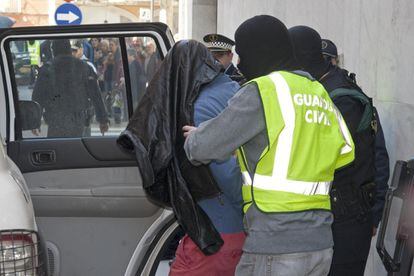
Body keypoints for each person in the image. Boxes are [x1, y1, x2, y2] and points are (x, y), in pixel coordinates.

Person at [183, 15, 355, 276]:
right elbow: (344, 152)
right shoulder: (316, 91)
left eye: (243, 54)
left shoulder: (263, 90)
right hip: (320, 246)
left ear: (258, 51)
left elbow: (202, 148)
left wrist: (195, 135)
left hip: (276, 245)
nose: (240, 64)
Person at [289, 25, 378, 276]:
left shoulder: (341, 97)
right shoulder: (320, 88)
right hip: (331, 216)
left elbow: (350, 159)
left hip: (346, 219)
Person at [169, 43, 245, 276]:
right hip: (233, 229)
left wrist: (241, 205)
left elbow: (223, 170)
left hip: (217, 230)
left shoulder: (200, 106)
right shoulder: (234, 91)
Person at [321, 38, 390, 236]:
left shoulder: (351, 99)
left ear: (335, 62)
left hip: (351, 213)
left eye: (328, 60)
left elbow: (378, 158)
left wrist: (375, 212)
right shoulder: (314, 100)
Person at [32, 39, 108, 138]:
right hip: (78, 119)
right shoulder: (84, 67)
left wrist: (35, 122)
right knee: (78, 149)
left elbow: (38, 97)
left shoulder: (47, 69)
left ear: (53, 50)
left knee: (57, 150)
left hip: (55, 120)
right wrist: (103, 120)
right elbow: (96, 95)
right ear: (69, 49)